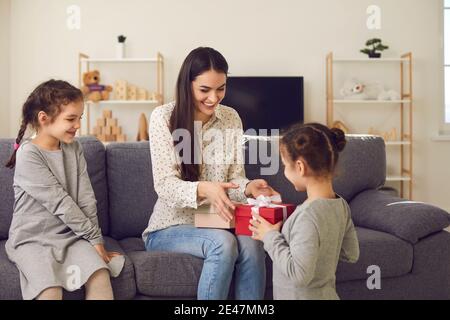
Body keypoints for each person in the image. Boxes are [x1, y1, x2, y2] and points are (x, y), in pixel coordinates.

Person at [143, 47, 279, 300]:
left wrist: (249, 187)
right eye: (205, 90)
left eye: (221, 89)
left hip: (218, 220)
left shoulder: (231, 117)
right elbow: (164, 185)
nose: (214, 98)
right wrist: (205, 188)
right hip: (171, 225)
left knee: (252, 243)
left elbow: (234, 177)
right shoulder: (163, 118)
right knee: (223, 244)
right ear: (187, 84)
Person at [5, 80, 124, 300]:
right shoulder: (29, 154)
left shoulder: (74, 147)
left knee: (100, 276)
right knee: (50, 289)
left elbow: (86, 197)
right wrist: (92, 236)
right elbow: (61, 203)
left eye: (80, 118)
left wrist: (96, 242)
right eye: (71, 119)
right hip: (32, 239)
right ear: (43, 118)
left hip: (70, 236)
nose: (77, 125)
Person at [250, 122, 360, 300]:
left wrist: (270, 237)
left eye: (285, 165)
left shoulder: (306, 216)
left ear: (300, 167)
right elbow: (351, 254)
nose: (285, 171)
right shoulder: (340, 205)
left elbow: (299, 275)